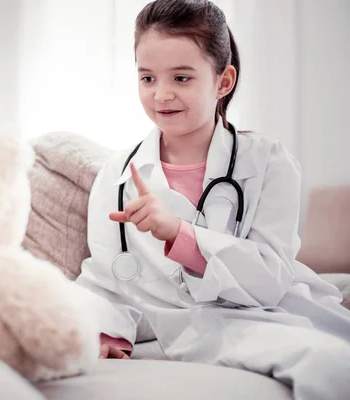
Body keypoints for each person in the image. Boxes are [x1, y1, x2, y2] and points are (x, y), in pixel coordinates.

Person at [75, 0, 350, 398]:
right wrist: (108, 334)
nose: (161, 95)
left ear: (223, 82)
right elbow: (106, 278)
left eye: (182, 78)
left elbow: (271, 279)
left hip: (262, 317)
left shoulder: (269, 163)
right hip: (179, 332)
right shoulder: (117, 177)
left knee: (329, 365)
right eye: (147, 78)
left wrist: (181, 234)